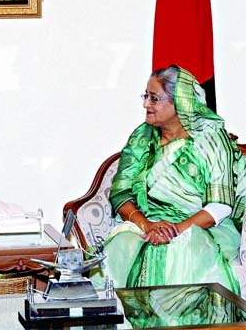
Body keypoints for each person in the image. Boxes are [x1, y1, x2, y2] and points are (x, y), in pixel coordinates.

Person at [90, 65, 246, 295]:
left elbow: (220, 204)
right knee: (120, 249)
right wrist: (147, 225)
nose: (146, 105)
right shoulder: (142, 136)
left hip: (199, 229)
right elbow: (120, 192)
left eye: (154, 98)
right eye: (146, 96)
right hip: (145, 228)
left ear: (179, 102)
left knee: (180, 254)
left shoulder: (211, 138)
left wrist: (174, 231)